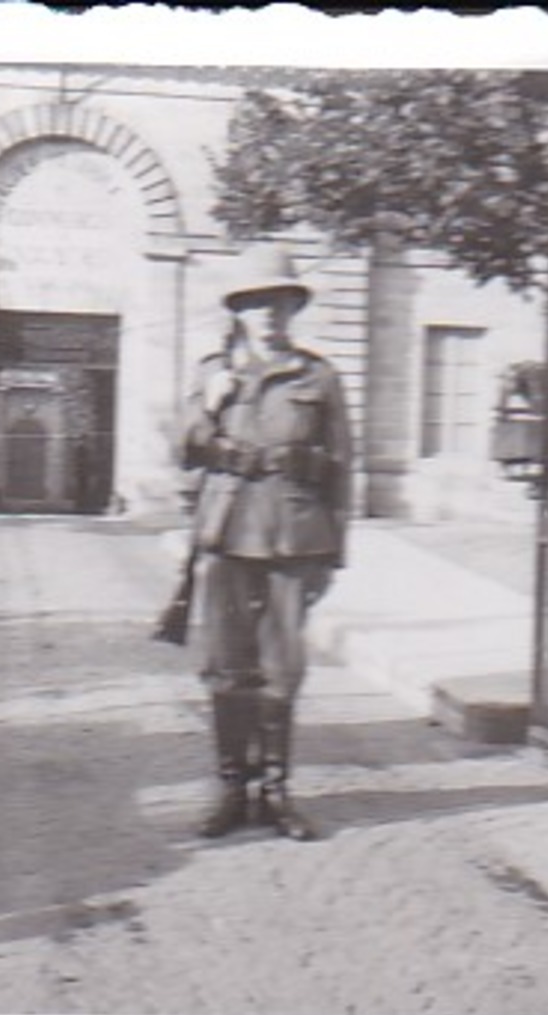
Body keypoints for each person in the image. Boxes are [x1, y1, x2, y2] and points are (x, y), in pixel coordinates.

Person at [179, 243, 353, 842]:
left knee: (282, 668)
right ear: (239, 311)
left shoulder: (319, 377)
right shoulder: (212, 372)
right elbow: (183, 446)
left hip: (292, 538)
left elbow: (342, 469)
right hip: (227, 535)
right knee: (226, 667)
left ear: (292, 308)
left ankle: (275, 792)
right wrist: (211, 403)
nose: (269, 317)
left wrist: (334, 553)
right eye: (256, 305)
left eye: (278, 304)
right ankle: (233, 788)